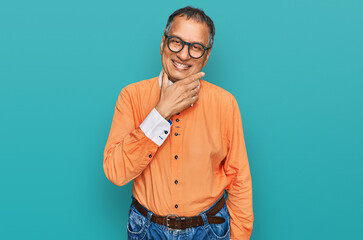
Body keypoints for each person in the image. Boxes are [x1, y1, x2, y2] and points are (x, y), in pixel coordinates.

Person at [103, 6, 254, 239]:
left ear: (207, 55)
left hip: (210, 230)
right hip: (147, 229)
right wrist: (161, 112)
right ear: (163, 44)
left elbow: (239, 178)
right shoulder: (131, 97)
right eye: (176, 42)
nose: (184, 55)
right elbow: (116, 172)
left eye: (196, 48)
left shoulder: (225, 103)